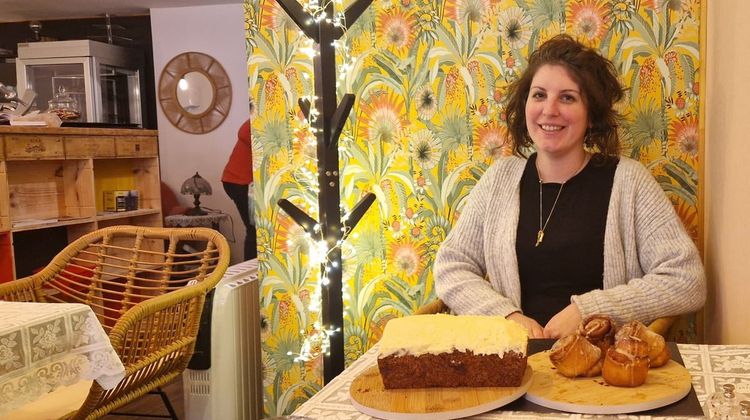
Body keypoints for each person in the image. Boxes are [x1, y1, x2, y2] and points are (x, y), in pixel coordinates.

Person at [433, 34, 705, 339]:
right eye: (539, 95)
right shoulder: (500, 179)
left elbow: (687, 280)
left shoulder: (629, 181)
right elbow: (451, 265)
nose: (549, 110)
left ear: (591, 115)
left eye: (567, 97)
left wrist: (588, 310)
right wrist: (506, 316)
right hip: (514, 366)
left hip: (600, 373)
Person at [222, 118, 257, 260]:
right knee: (255, 228)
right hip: (242, 182)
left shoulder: (255, 120)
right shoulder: (259, 121)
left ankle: (253, 271)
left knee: (255, 229)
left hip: (236, 180)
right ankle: (252, 273)